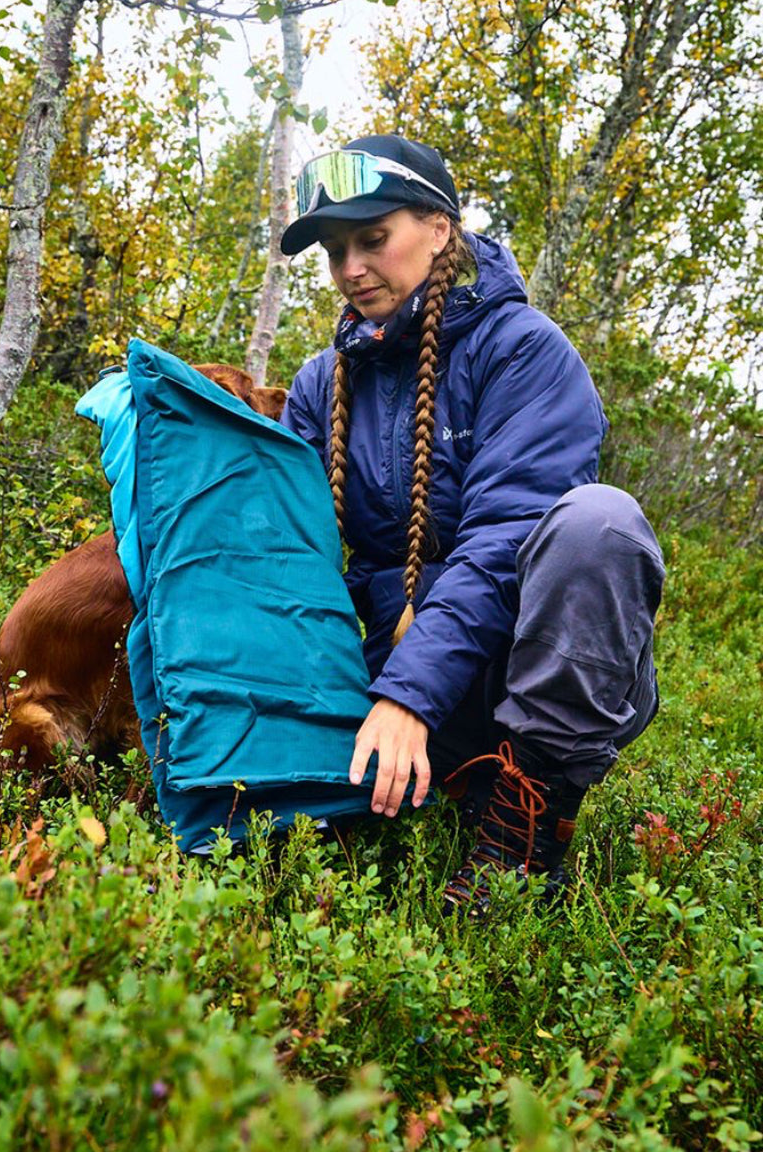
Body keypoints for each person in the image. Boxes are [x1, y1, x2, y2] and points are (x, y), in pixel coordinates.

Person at [278, 135, 665, 914]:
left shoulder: (523, 352)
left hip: (514, 673)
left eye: (372, 239)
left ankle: (526, 821)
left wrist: (406, 698)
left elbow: (500, 542)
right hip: (396, 674)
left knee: (598, 523)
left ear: (440, 229)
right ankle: (428, 783)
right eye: (333, 250)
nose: (350, 268)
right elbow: (292, 555)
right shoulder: (321, 384)